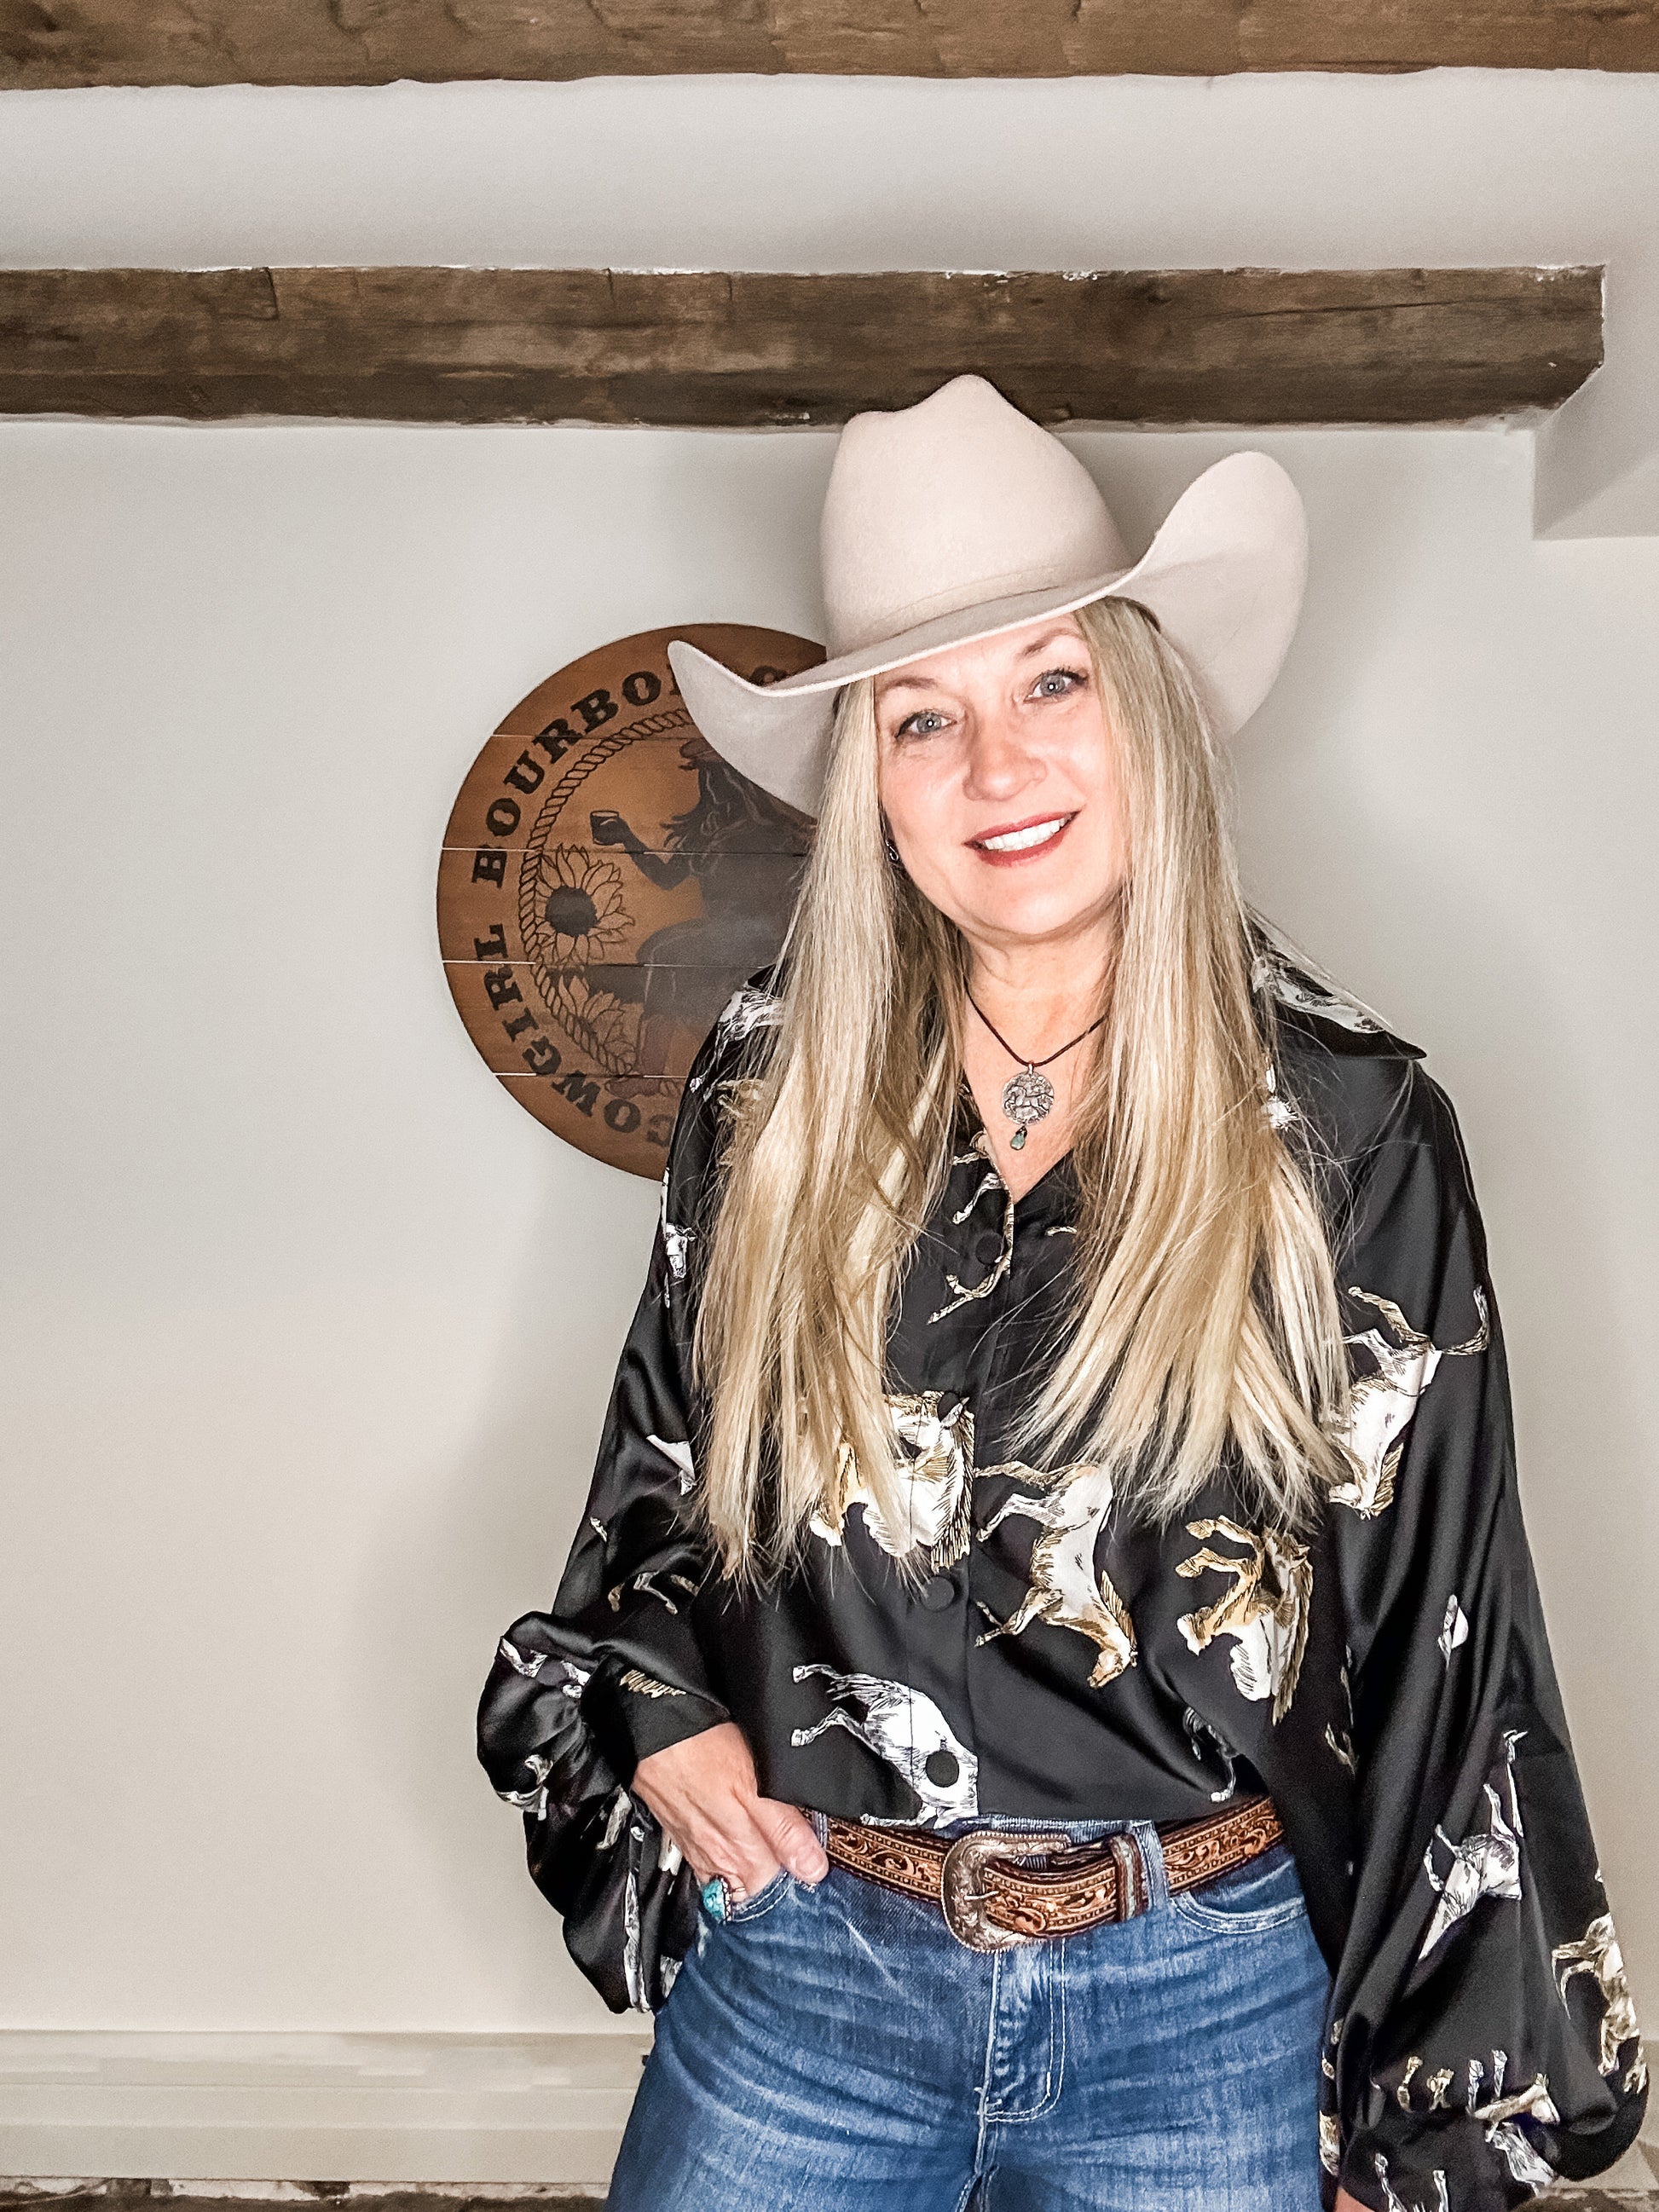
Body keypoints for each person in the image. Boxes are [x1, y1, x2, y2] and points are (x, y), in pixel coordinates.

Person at [477, 374, 1648, 2212]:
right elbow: (664, 1478)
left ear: (1146, 709)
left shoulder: (1346, 1126)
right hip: (809, 1966)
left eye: (1048, 681)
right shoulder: (768, 1092)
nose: (992, 766)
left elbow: (1445, 1630)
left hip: (1197, 2003)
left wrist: (1417, 2122)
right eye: (920, 715)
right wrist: (651, 1695)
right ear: (872, 780)